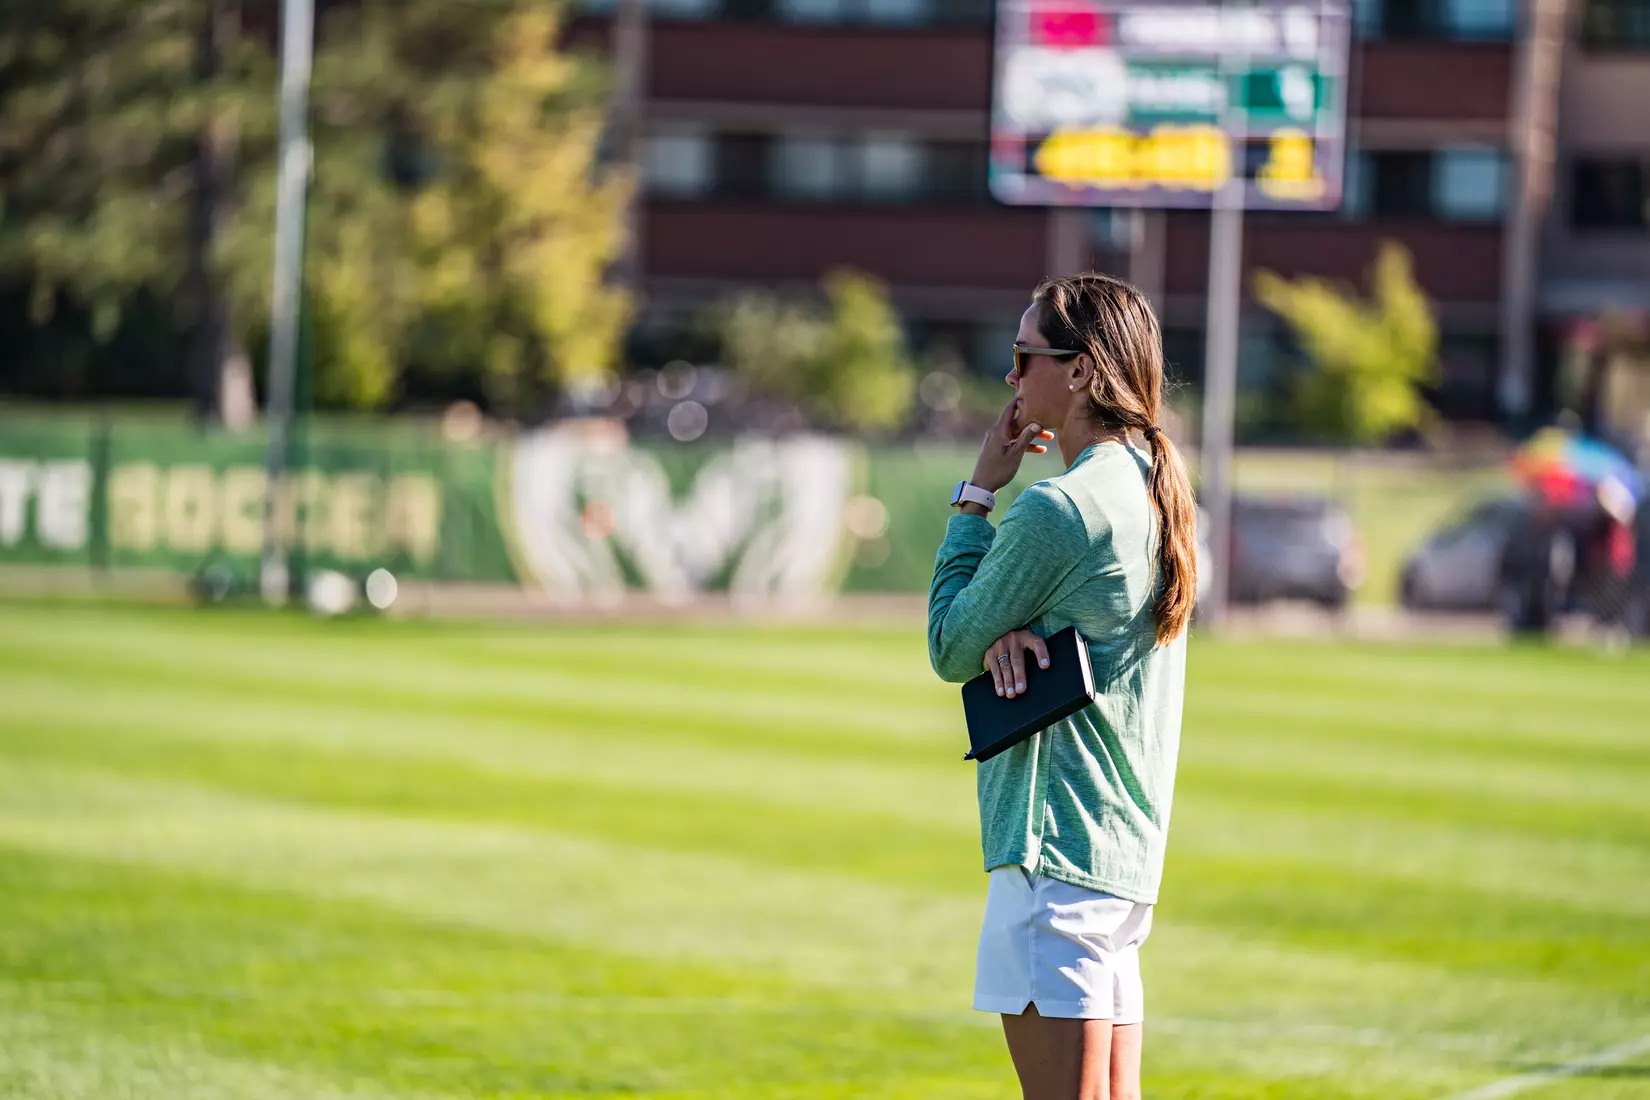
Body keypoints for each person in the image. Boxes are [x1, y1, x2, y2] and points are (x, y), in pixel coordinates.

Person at [927, 273, 1197, 1100]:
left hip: (1056, 853)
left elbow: (948, 642)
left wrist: (976, 495)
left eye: (1023, 357)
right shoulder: (1153, 485)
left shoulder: (1061, 508)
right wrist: (1016, 630)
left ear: (1079, 371)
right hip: (1117, 866)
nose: (1011, 379)